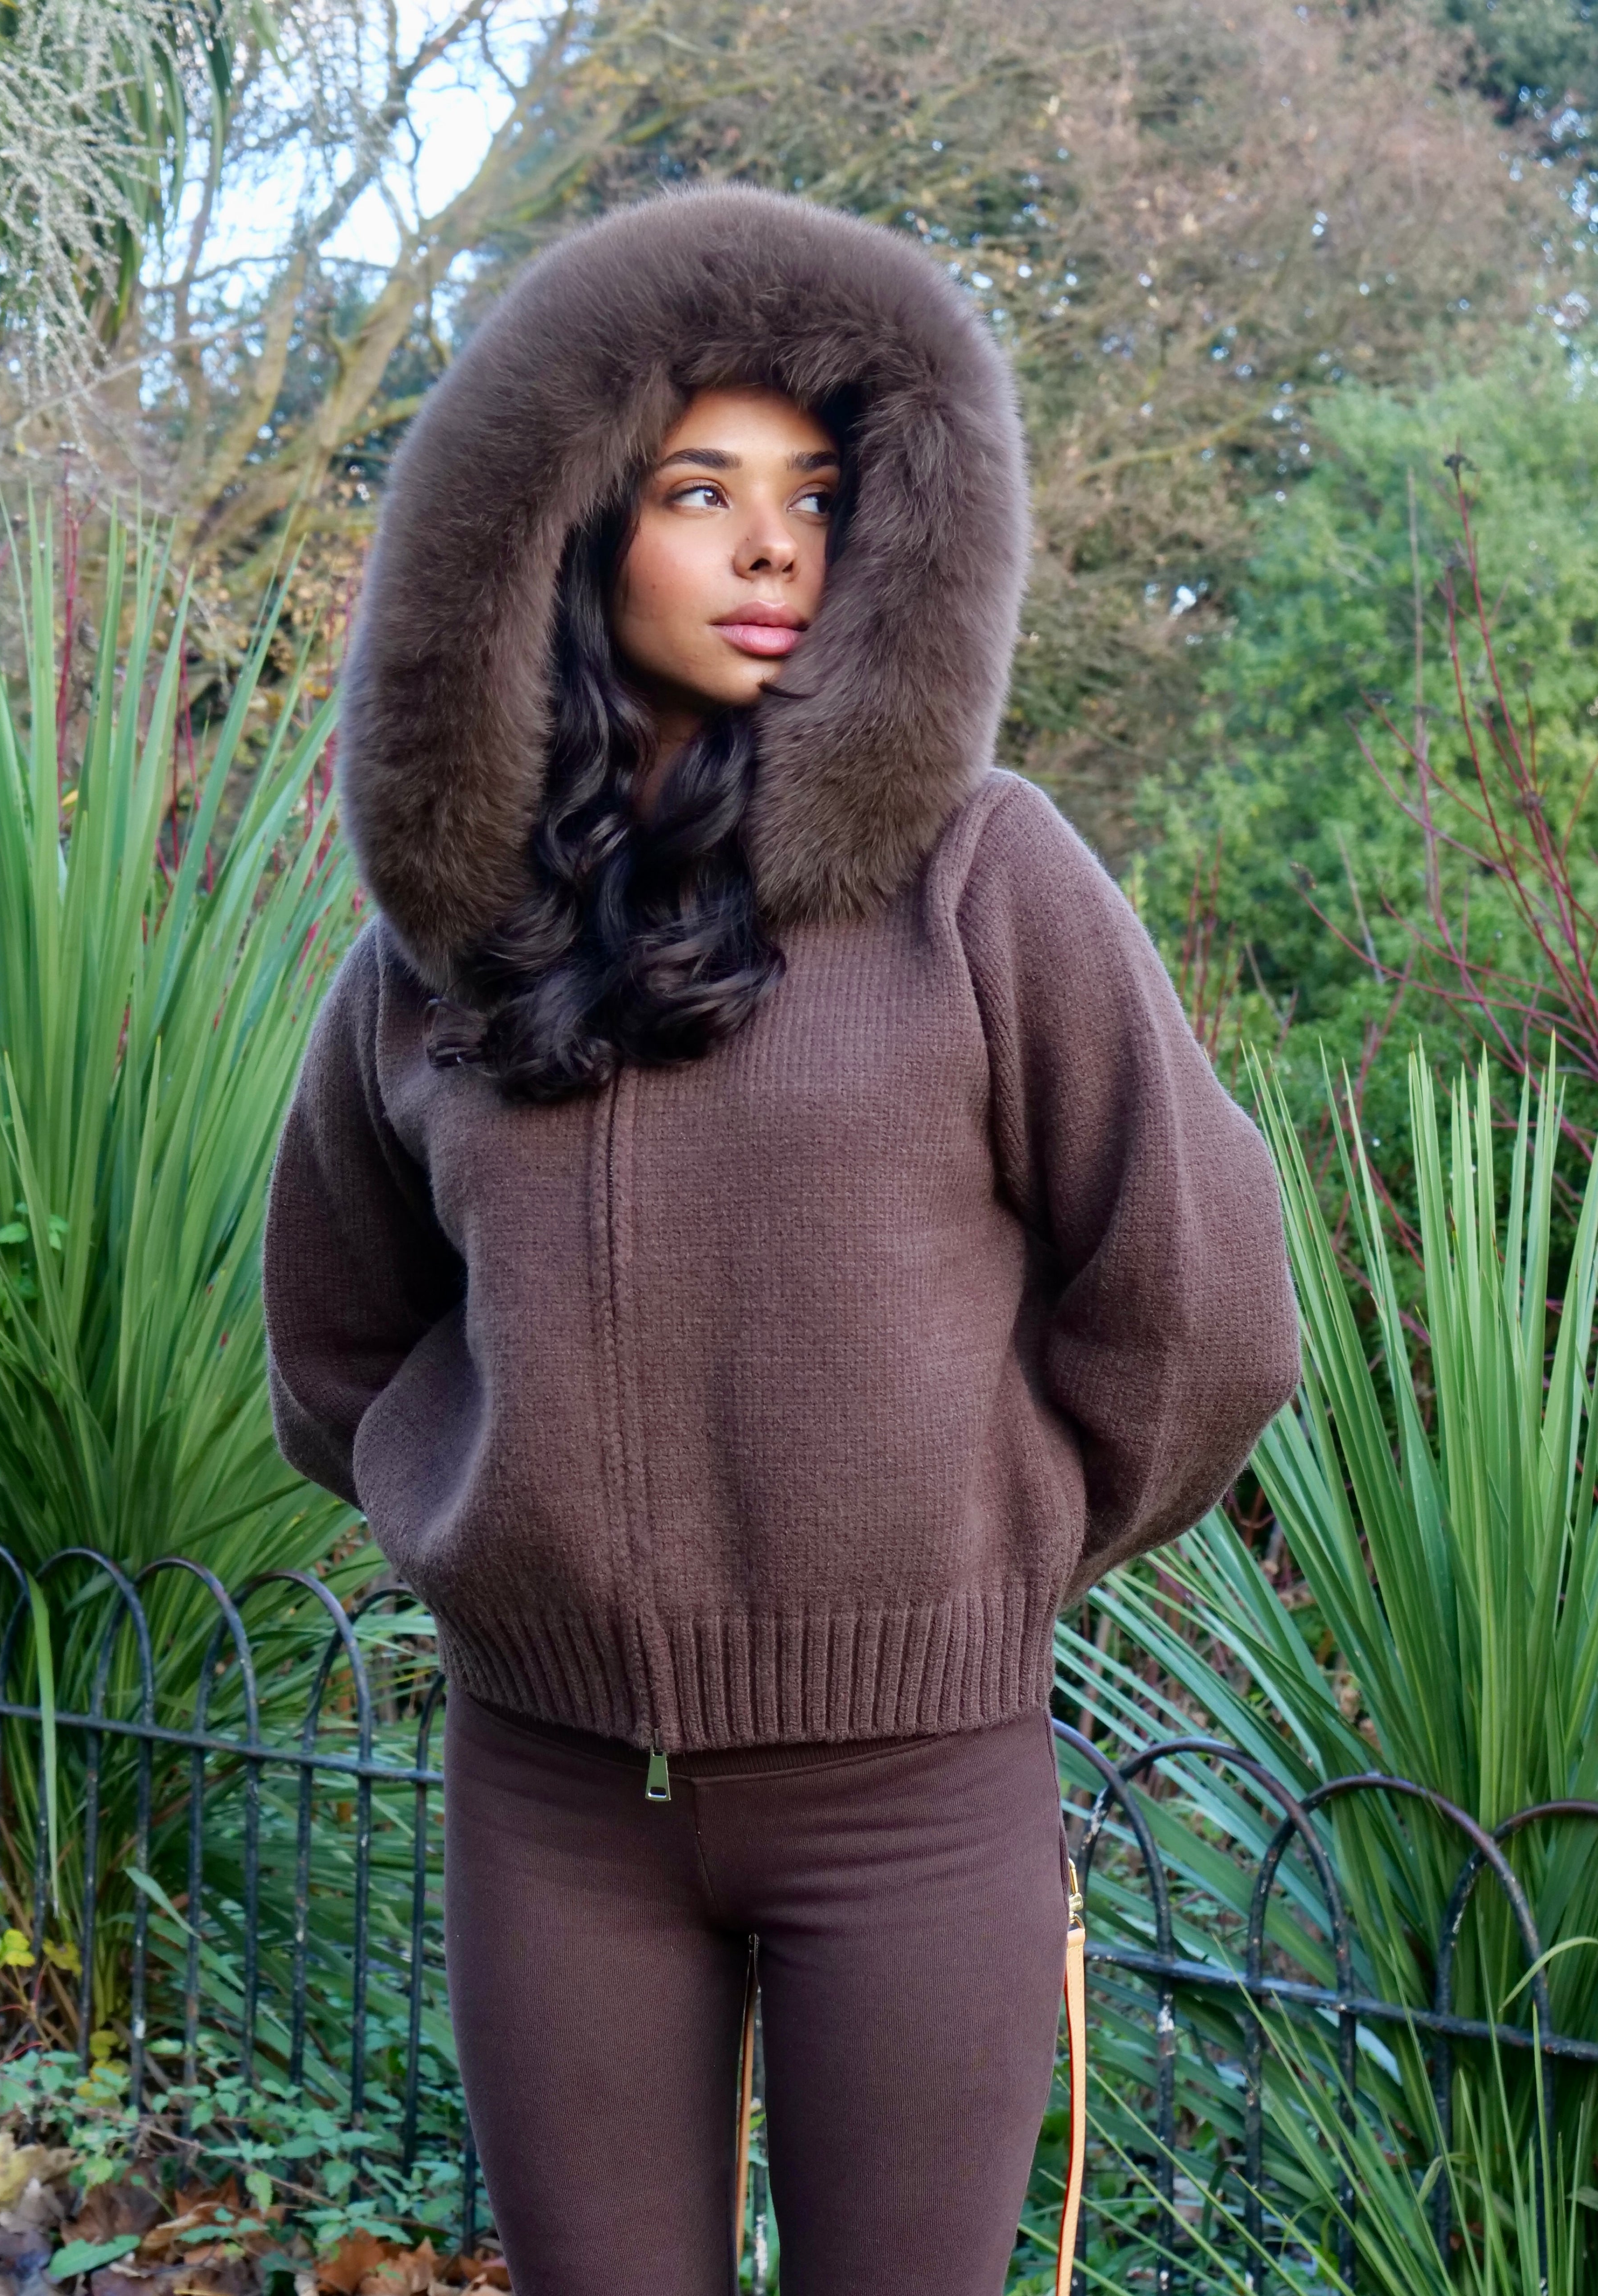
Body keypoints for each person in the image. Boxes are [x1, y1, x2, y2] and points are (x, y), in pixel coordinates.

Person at [262, 187, 1299, 2296]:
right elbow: (338, 1333)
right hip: (550, 1803)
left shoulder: (981, 875)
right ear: (563, 527)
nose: (773, 550)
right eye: (699, 491)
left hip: (917, 1804)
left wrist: (983, 1552)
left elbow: (1205, 1303)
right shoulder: (439, 943)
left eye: (819, 496)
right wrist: (497, 1545)